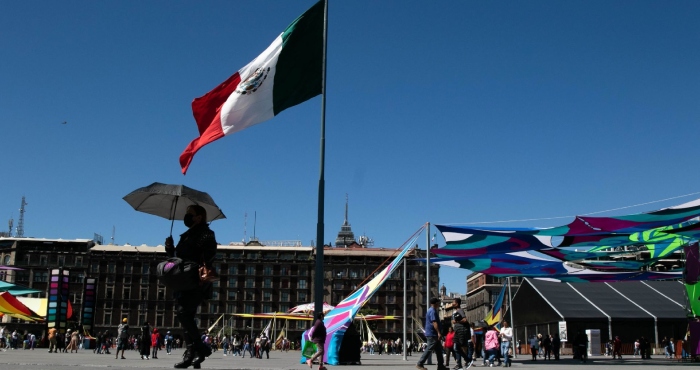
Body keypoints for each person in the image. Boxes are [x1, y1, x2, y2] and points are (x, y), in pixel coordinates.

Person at [164, 204, 218, 369]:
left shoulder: (206, 234)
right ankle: (196, 353)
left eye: (190, 214)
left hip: (196, 281)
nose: (186, 216)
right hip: (183, 280)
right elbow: (178, 258)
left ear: (199, 217)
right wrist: (170, 250)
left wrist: (195, 254)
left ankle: (197, 349)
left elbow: (209, 255)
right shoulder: (185, 236)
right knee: (186, 316)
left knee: (183, 313)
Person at [416, 298, 446, 370]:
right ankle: (420, 363)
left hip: (433, 333)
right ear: (435, 303)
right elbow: (434, 322)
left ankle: (441, 366)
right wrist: (439, 332)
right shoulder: (432, 311)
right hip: (432, 334)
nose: (439, 304)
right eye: (438, 303)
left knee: (439, 350)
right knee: (429, 349)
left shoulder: (431, 310)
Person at [449, 297, 471, 369]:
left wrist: (457, 321)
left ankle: (465, 361)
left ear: (457, 304)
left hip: (461, 331)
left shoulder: (460, 311)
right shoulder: (454, 312)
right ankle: (462, 362)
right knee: (456, 348)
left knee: (457, 347)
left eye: (453, 302)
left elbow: (465, 320)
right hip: (457, 331)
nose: (452, 303)